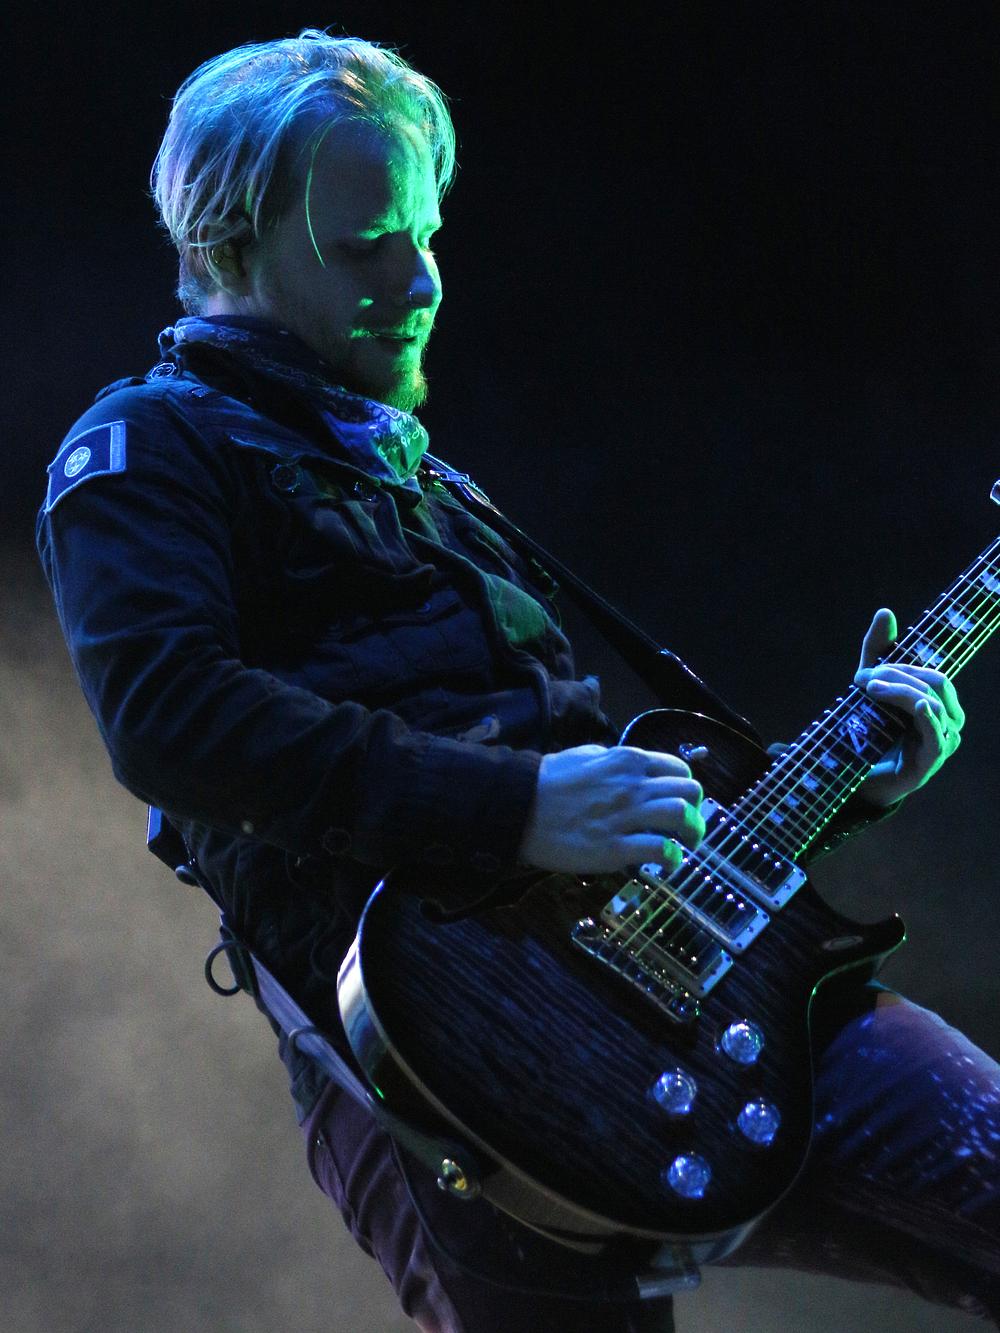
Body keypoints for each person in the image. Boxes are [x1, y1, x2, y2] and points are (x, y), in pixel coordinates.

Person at [36, 29, 999, 1332]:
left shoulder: (432, 484)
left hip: (700, 991)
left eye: (427, 234)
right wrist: (519, 809)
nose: (422, 278)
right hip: (448, 1066)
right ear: (227, 244)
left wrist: (846, 778)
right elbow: (170, 719)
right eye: (365, 245)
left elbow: (616, 802)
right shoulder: (147, 447)